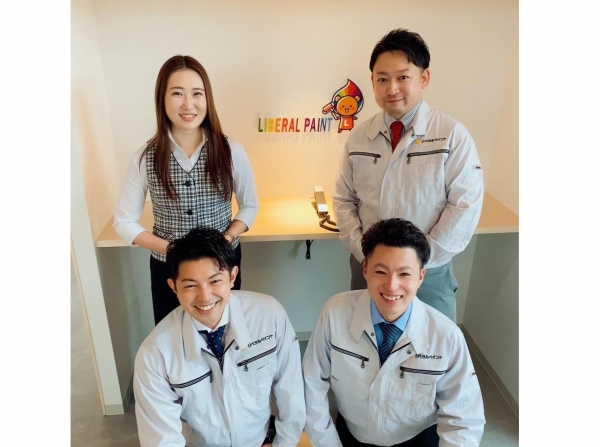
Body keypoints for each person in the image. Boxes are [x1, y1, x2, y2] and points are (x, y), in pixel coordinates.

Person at [333, 29, 484, 322]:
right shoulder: (359, 137)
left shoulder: (451, 135)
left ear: (424, 78)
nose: (392, 88)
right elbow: (344, 200)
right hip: (370, 268)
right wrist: (366, 253)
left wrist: (417, 260)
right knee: (366, 338)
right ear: (373, 82)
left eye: (403, 77)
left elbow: (464, 206)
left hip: (429, 272)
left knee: (431, 342)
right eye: (382, 79)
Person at [303, 218, 485, 447]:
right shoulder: (334, 313)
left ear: (421, 277)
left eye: (404, 274)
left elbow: (463, 420)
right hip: (350, 435)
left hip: (417, 439)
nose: (391, 285)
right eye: (381, 271)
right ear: (365, 269)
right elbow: (311, 384)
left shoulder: (446, 336)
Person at [114, 55, 259, 325]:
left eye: (197, 93)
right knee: (172, 333)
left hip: (220, 264)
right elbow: (123, 221)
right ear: (162, 98)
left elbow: (250, 206)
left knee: (225, 328)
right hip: (169, 268)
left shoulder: (231, 151)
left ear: (207, 98)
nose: (188, 104)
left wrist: (227, 238)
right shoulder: (145, 157)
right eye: (177, 93)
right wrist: (170, 249)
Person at [134, 227, 305, 447]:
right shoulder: (154, 354)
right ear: (173, 287)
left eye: (215, 281)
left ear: (233, 277)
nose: (205, 297)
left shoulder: (269, 315)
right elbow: (161, 439)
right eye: (190, 285)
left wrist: (284, 444)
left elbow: (291, 392)